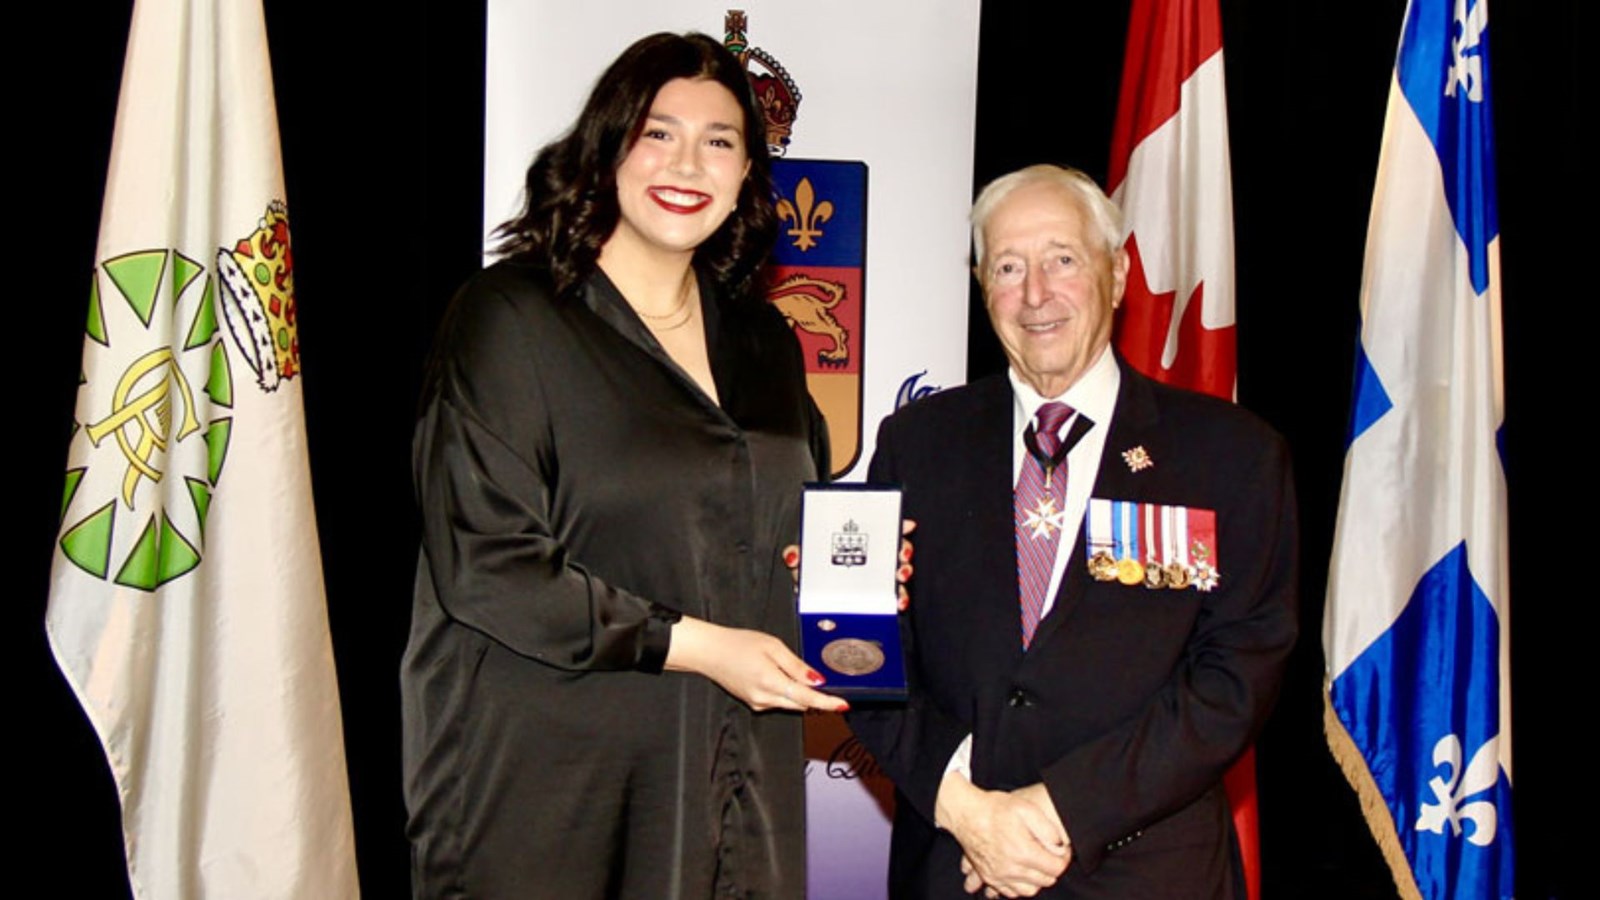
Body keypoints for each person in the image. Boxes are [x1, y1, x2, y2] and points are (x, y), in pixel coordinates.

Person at [401, 33, 845, 899]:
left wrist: (848, 566)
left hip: (735, 776)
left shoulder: (766, 343)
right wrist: (699, 646)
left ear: (749, 172)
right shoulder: (511, 319)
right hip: (553, 789)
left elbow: (789, 523)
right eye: (658, 132)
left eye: (719, 141)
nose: (688, 162)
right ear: (606, 148)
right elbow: (488, 564)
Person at [847, 165, 1297, 899]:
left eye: (1062, 259)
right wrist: (966, 806)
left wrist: (1059, 809)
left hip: (1150, 873)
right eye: (1007, 266)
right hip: (958, 865)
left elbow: (1237, 676)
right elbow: (864, 657)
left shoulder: (1230, 456)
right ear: (980, 283)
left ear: (1116, 274)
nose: (1035, 295)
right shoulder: (915, 444)